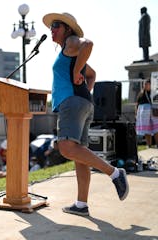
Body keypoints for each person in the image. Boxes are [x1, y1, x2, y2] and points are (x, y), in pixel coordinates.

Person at [42, 12, 129, 216]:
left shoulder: (71, 42)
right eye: (51, 27)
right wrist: (82, 86)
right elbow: (92, 75)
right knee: (79, 155)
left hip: (71, 103)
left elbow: (88, 43)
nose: (52, 29)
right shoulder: (68, 51)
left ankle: (115, 173)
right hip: (82, 102)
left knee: (65, 147)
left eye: (56, 25)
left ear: (67, 29)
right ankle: (81, 205)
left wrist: (75, 73)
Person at [135, 80, 158, 147]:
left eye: (148, 84)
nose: (146, 85)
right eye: (145, 84)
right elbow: (137, 104)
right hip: (144, 114)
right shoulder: (141, 94)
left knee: (156, 129)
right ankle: (149, 145)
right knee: (146, 130)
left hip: (154, 112)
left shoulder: (154, 93)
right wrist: (136, 114)